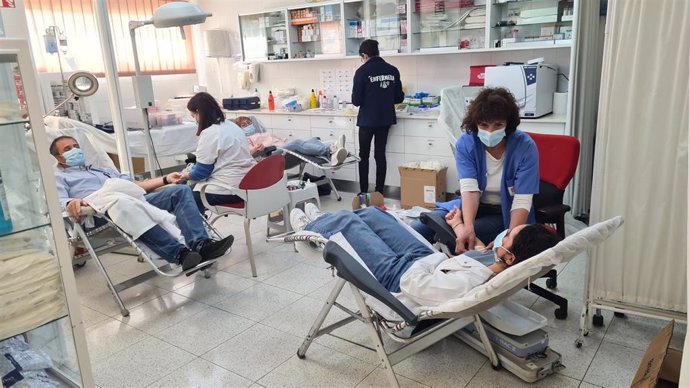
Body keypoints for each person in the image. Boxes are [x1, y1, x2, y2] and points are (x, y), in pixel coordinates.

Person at [290, 206, 559, 312]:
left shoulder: (474, 282)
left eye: (508, 235)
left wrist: (432, 262)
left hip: (399, 274)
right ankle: (323, 220)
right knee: (374, 214)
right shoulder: (495, 260)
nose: (504, 233)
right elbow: (471, 252)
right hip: (424, 259)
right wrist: (456, 228)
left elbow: (418, 288)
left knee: (348, 221)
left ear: (510, 257)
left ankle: (313, 228)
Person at [51, 136, 234, 273]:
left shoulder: (103, 170)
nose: (75, 150)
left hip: (131, 200)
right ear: (60, 158)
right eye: (68, 149)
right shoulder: (58, 178)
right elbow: (58, 203)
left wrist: (165, 179)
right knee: (122, 203)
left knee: (180, 191)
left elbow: (135, 187)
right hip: (99, 213)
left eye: (76, 146)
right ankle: (179, 254)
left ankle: (201, 245)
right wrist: (71, 202)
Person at [411, 87, 540, 254]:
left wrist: (508, 238)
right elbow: (470, 190)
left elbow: (522, 201)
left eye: (498, 125)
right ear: (475, 123)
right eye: (484, 125)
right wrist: (467, 227)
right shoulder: (466, 143)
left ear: (508, 124)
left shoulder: (525, 147)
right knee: (419, 228)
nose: (490, 132)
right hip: (472, 207)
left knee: (450, 235)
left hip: (504, 214)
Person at [181, 92, 257, 213]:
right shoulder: (232, 126)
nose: (195, 120)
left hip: (229, 189)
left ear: (199, 113)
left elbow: (201, 172)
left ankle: (198, 231)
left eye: (194, 116)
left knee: (185, 195)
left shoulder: (210, 133)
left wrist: (186, 175)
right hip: (249, 183)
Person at [351, 39, 404, 195]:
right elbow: (399, 98)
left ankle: (363, 192)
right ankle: (379, 191)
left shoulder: (361, 72)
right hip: (385, 119)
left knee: (364, 155)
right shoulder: (393, 70)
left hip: (367, 121)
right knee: (380, 154)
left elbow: (356, 101)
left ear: (365, 55)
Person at [234, 116, 348, 166]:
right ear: (239, 129)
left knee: (313, 139)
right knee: (297, 143)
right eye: (244, 125)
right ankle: (329, 150)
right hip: (271, 155)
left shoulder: (263, 133)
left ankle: (331, 154)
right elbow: (249, 152)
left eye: (249, 123)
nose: (248, 125)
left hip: (284, 147)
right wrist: (256, 148)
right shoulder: (245, 139)